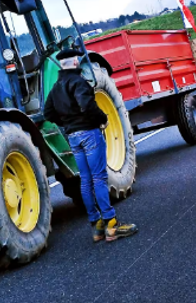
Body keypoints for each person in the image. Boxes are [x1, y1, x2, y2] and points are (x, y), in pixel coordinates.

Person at [43, 49, 138, 243]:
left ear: (62, 65)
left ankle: (96, 227)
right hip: (89, 134)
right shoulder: (79, 82)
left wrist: (67, 124)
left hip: (73, 137)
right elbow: (87, 105)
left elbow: (48, 113)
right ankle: (111, 225)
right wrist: (102, 118)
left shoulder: (55, 87)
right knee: (100, 178)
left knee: (85, 181)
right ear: (76, 63)